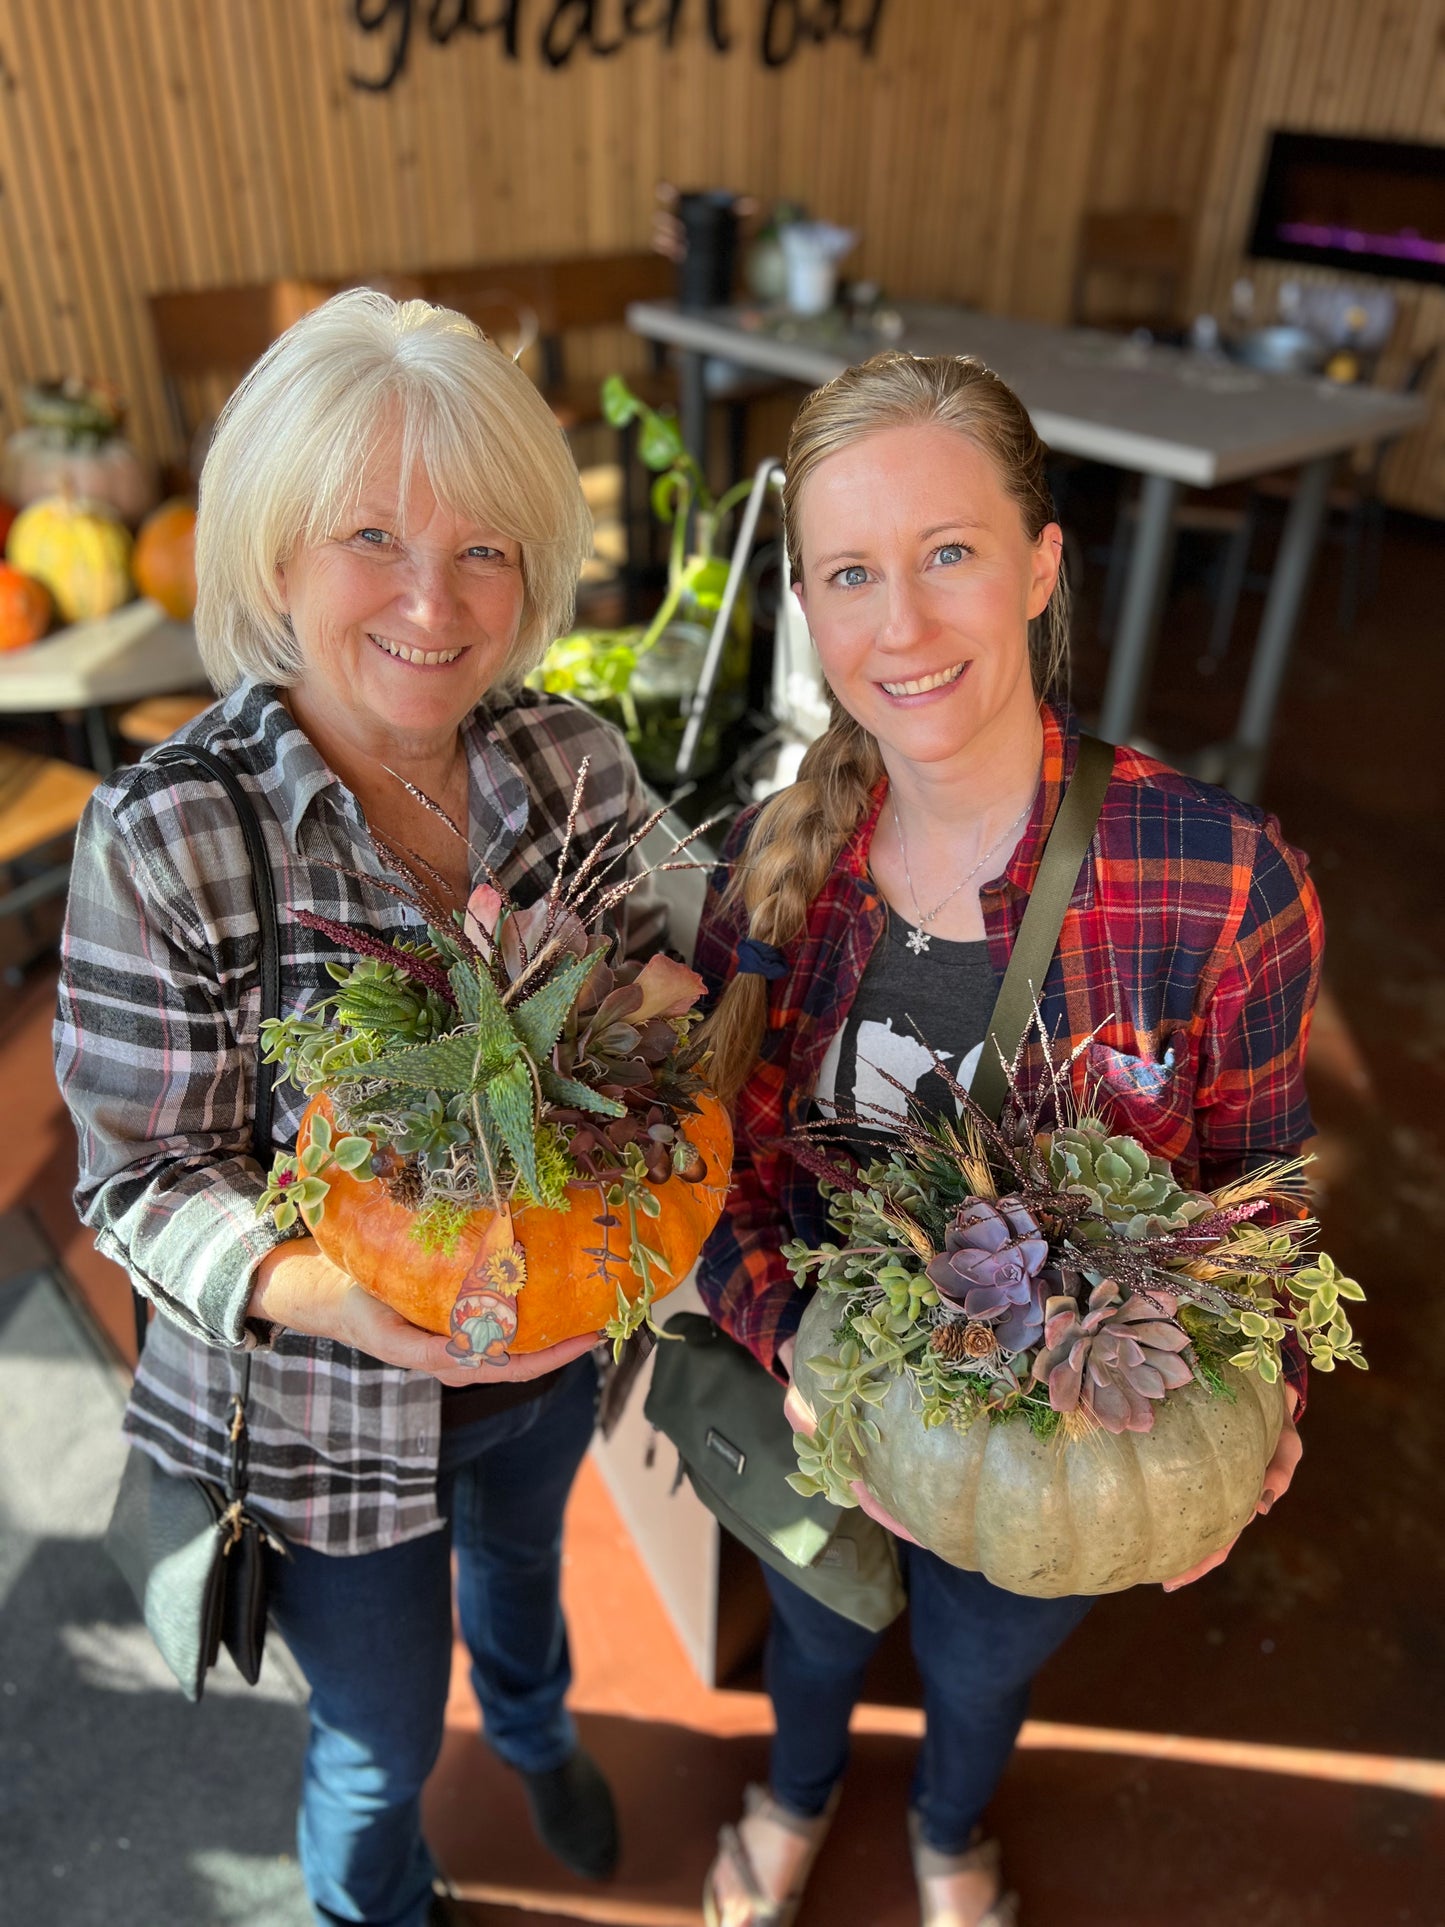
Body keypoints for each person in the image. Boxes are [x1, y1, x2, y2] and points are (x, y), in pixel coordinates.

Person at [55, 290, 664, 1927]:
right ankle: (375, 1903)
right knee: (380, 1745)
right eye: (370, 536)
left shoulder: (572, 765)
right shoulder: (165, 834)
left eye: (482, 549)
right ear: (269, 557)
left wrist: (678, 993)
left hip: (541, 1362)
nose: (429, 599)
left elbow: (677, 961)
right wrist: (359, 1299)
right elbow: (133, 1176)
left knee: (523, 1587)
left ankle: (535, 1737)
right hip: (323, 1415)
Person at [690, 351, 1321, 1927]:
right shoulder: (773, 866)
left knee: (980, 1658)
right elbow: (712, 1175)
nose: (898, 627)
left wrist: (1259, 1410)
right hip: (818, 1403)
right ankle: (800, 1787)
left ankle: (949, 1824)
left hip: (1058, 1451)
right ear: (808, 608)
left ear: (1042, 563)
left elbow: (1261, 1198)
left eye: (948, 554)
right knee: (819, 1629)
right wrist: (813, 1373)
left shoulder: (1218, 883)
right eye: (851, 575)